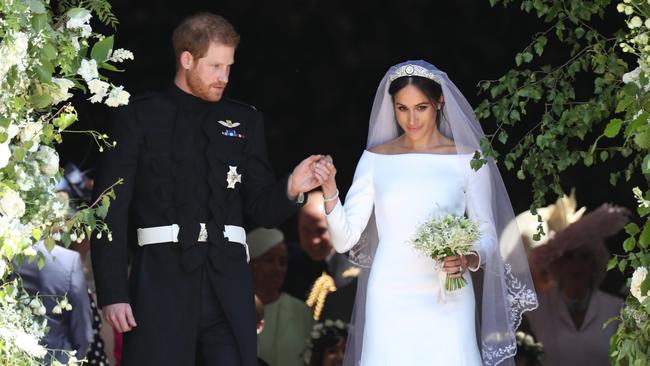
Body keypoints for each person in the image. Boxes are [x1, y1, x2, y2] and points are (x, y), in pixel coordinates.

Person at [91, 12, 327, 366]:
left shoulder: (246, 120)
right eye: (215, 66)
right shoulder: (138, 117)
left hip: (228, 284)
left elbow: (261, 209)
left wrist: (292, 187)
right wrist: (113, 293)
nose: (224, 78)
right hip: (160, 281)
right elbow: (109, 209)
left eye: (229, 67)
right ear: (187, 59)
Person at [314, 61, 538, 365]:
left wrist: (468, 258)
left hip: (449, 293)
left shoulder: (469, 160)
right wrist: (329, 190)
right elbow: (344, 241)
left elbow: (486, 232)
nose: (411, 118)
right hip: (390, 293)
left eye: (420, 107)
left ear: (439, 102)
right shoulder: (374, 159)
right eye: (401, 108)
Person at [518, 195, 628, 366]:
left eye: (583, 257)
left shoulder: (615, 308)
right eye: (569, 257)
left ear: (594, 263)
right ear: (558, 264)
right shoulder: (535, 309)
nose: (576, 265)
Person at [17, 241, 93, 364]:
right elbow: (81, 325)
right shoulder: (69, 260)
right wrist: (76, 359)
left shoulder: (8, 254)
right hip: (57, 357)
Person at [248, 227, 313, 366]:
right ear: (252, 263)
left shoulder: (301, 311)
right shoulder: (237, 309)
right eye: (269, 260)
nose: (277, 268)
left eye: (282, 262)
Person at [285, 190, 355, 301]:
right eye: (307, 231)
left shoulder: (352, 270)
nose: (314, 240)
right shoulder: (288, 270)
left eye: (321, 230)